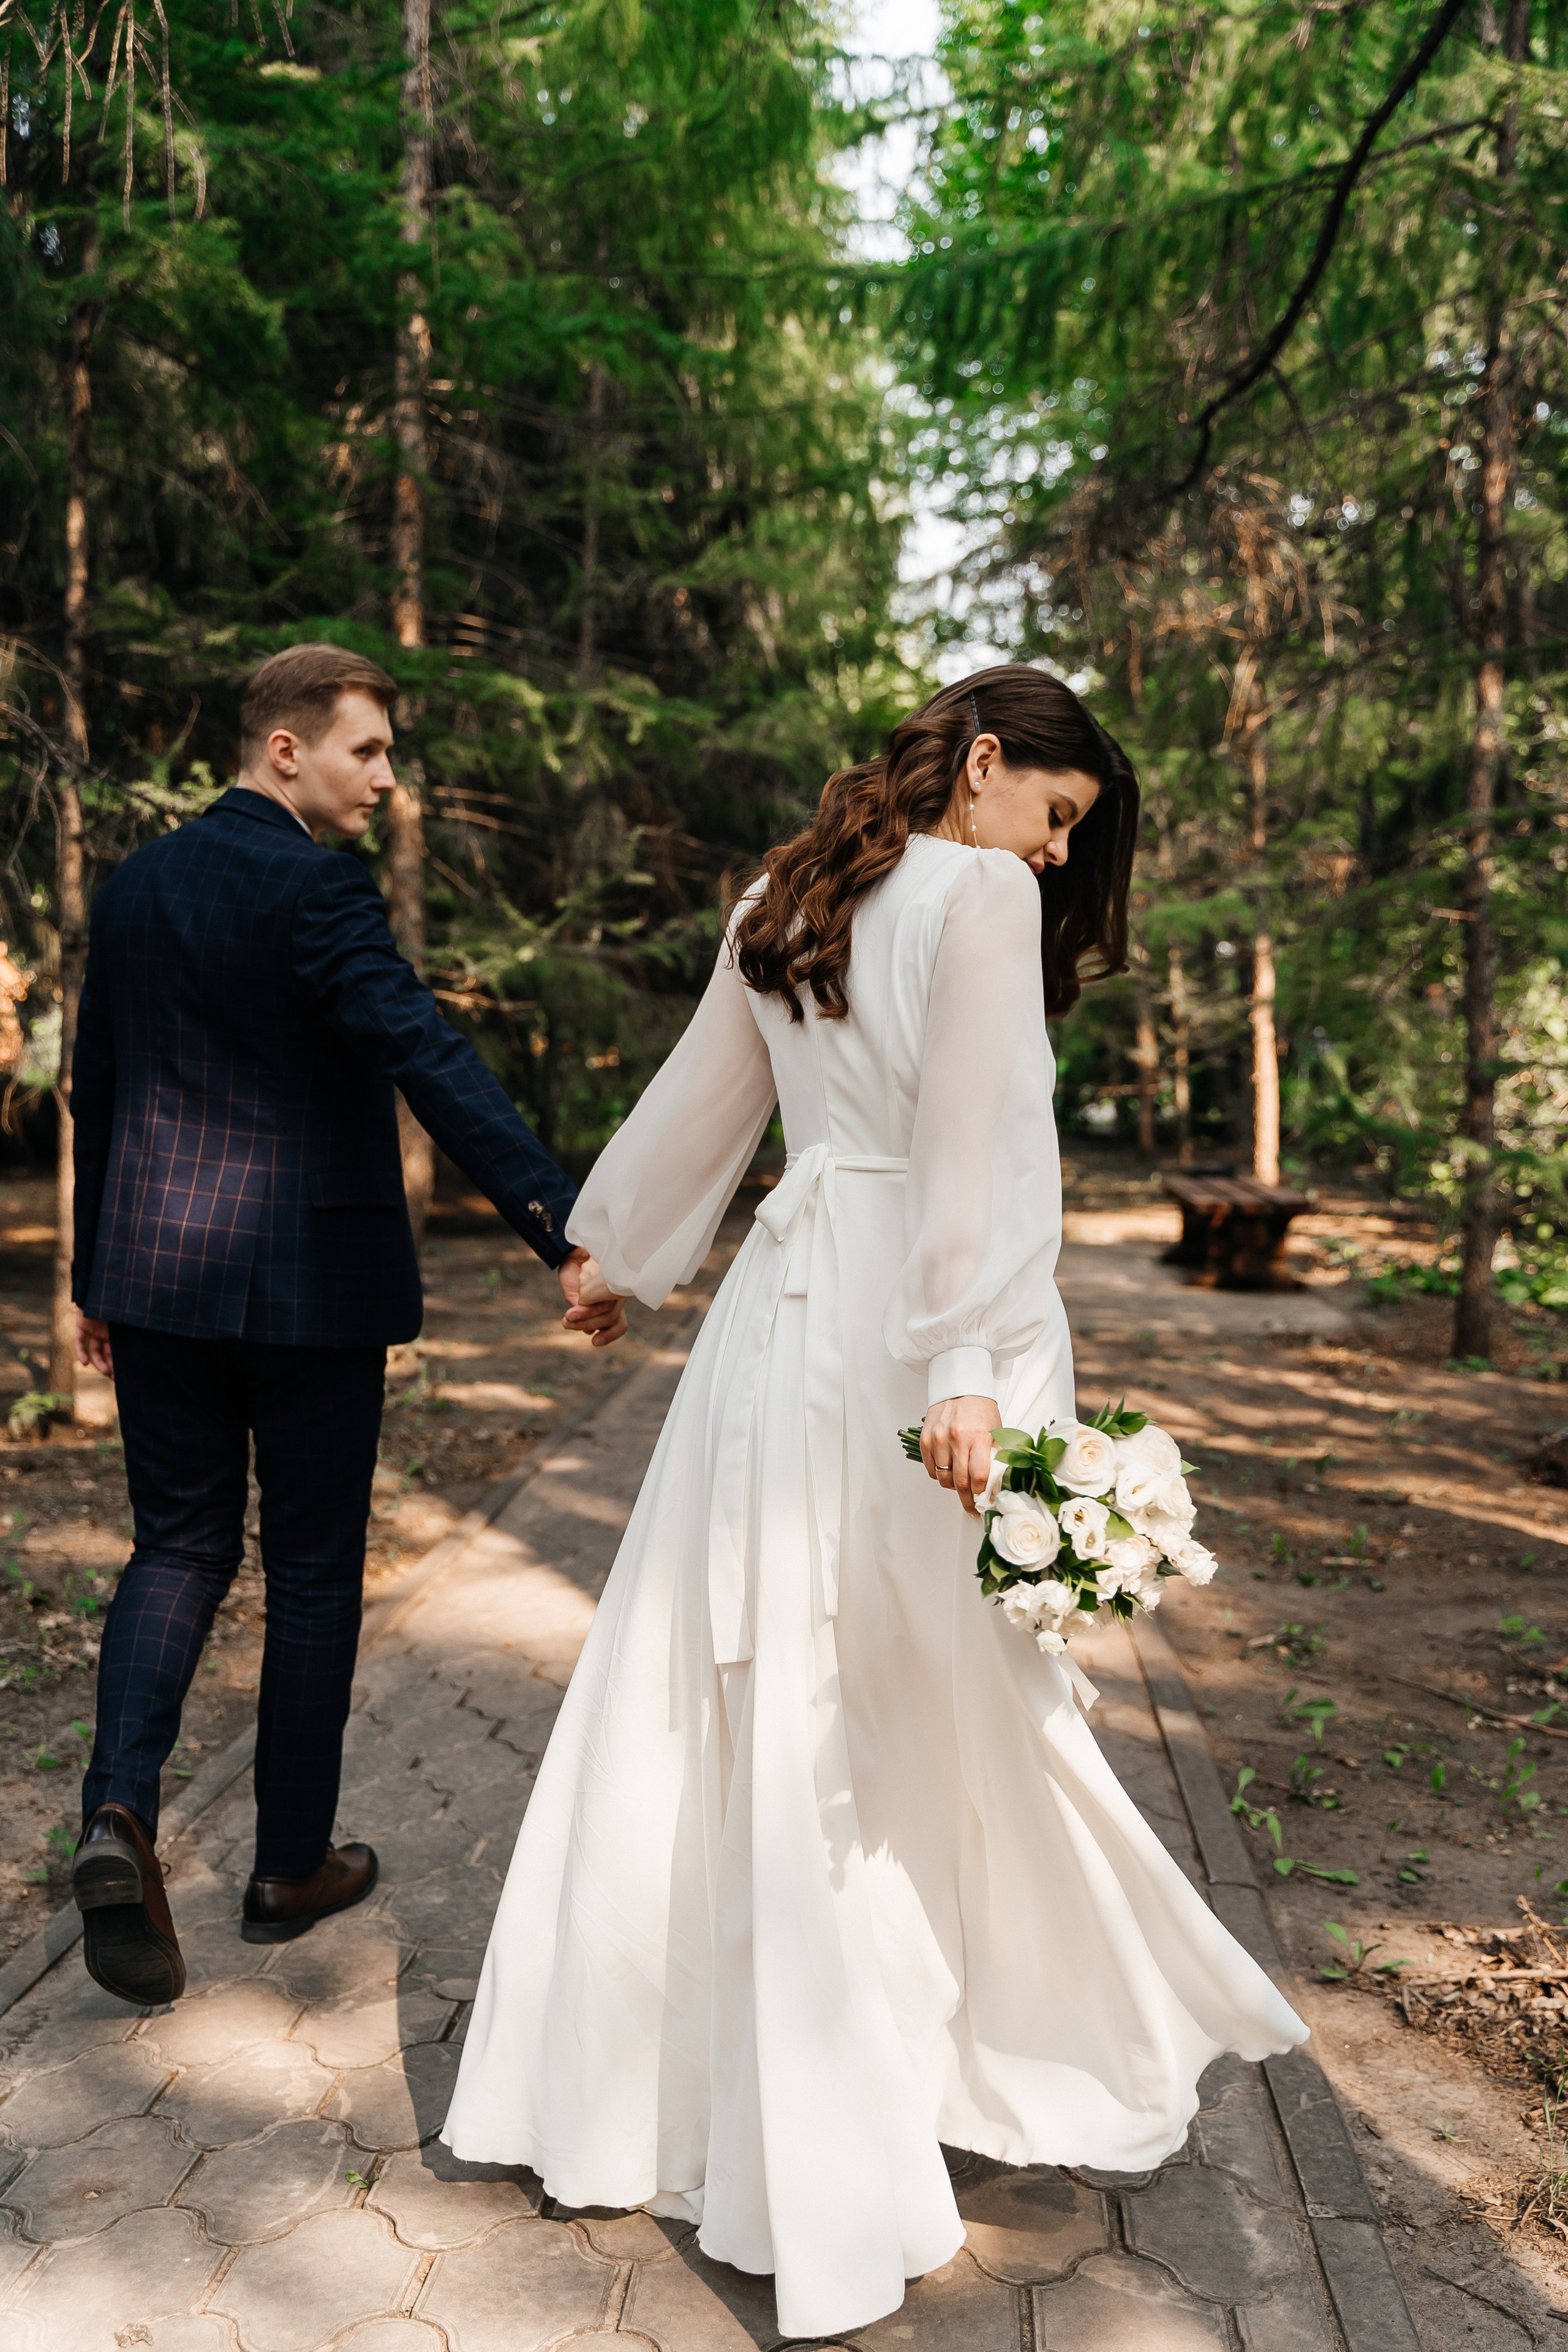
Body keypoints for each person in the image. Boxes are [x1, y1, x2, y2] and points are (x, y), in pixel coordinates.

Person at [441, 665, 1306, 2339]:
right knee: (913, 1688)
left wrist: (613, 1250)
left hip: (783, 1320)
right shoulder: (971, 892)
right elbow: (985, 1151)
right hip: (917, 1334)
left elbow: (712, 1092)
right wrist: (976, 1362)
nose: (1054, 860)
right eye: (1058, 818)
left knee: (762, 1681)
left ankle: (706, 2082)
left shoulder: (785, 891)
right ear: (985, 765)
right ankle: (890, 2068)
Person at [69, 642, 625, 2008]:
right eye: (366, 750)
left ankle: (118, 1812)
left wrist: (93, 1276)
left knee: (178, 1544)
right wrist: (563, 1226)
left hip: (154, 1282)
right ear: (284, 750)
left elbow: (100, 1085)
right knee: (312, 1572)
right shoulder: (317, 886)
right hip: (305, 1292)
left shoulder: (135, 885)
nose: (386, 777)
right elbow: (424, 1056)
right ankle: (288, 1868)